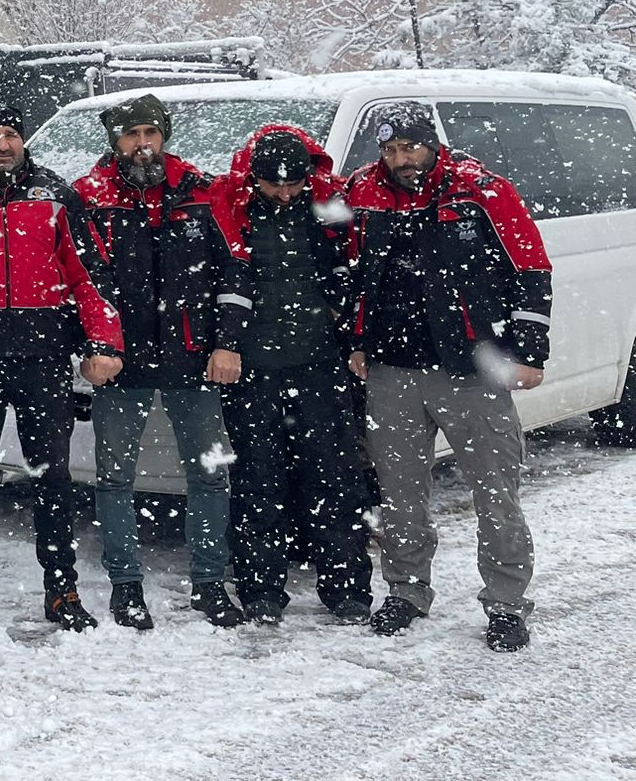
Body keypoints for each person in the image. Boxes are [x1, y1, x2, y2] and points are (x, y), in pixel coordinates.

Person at [345, 102, 552, 652]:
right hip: (391, 369)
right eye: (389, 150)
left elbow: (530, 268)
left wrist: (530, 351)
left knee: (495, 492)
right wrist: (359, 341)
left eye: (409, 147)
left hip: (470, 369)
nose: (400, 160)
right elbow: (355, 276)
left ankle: (506, 603)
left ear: (431, 144)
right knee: (401, 493)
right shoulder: (363, 193)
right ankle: (407, 590)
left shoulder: (480, 190)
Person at [0, 102, 123, 637]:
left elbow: (89, 276)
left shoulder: (57, 195)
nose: (3, 144)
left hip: (43, 360)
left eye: (10, 133)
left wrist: (102, 340)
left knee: (52, 480)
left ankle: (61, 588)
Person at [72, 93, 246, 630]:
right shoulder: (87, 196)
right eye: (130, 135)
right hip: (119, 361)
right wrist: (99, 346)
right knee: (115, 478)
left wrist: (228, 342)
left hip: (194, 358)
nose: (142, 144)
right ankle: (126, 586)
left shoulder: (201, 190)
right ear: (114, 141)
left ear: (164, 135)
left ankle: (211, 583)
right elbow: (82, 281)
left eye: (150, 133)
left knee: (211, 477)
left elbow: (234, 274)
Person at [208, 125, 372, 626]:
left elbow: (355, 271)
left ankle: (346, 588)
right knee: (259, 479)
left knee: (336, 478)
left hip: (321, 364)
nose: (285, 192)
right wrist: (228, 345)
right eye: (274, 183)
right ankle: (261, 588)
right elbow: (223, 283)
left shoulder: (328, 211)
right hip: (253, 369)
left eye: (294, 183)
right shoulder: (233, 214)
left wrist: (354, 338)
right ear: (254, 178)